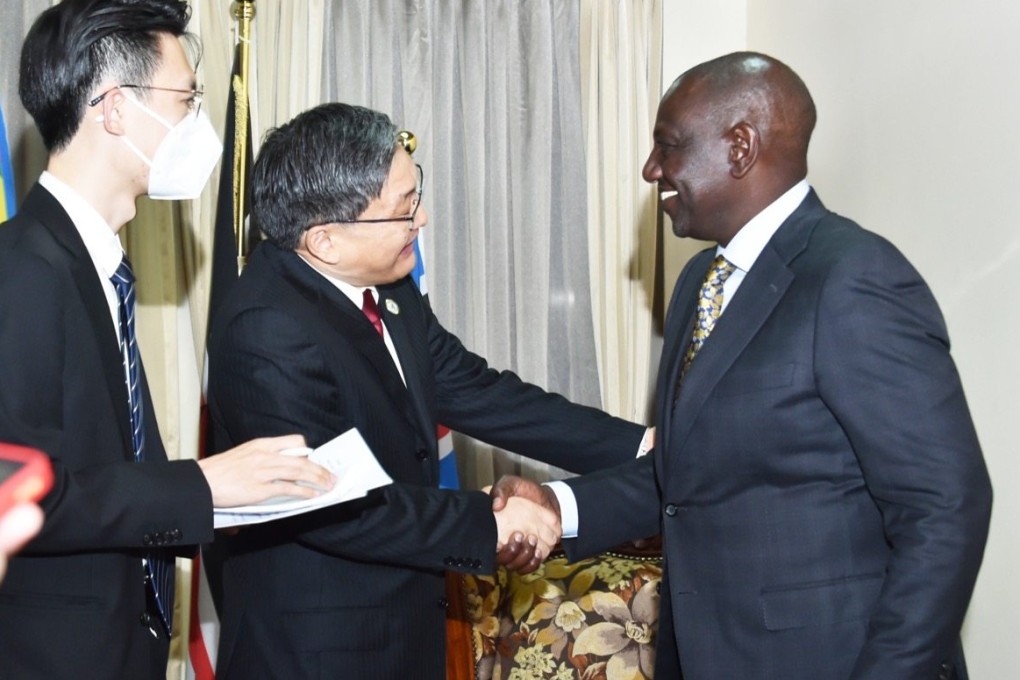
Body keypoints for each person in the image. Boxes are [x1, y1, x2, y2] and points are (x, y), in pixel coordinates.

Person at [493, 52, 993, 680]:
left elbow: (945, 507)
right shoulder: (701, 281)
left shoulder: (851, 278)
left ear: (740, 148)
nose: (652, 170)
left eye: (667, 147)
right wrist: (555, 506)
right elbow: (686, 475)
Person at [204, 101, 648, 680]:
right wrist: (492, 522)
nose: (423, 220)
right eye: (403, 209)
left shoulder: (387, 284)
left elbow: (476, 390)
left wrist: (642, 448)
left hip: (405, 625)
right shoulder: (265, 327)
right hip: (318, 648)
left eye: (416, 196)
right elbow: (334, 505)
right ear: (326, 240)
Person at [0, 2, 334, 678]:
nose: (196, 125)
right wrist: (205, 484)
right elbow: (22, 493)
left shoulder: (92, 264)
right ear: (115, 109)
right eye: (186, 99)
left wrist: (237, 490)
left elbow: (104, 466)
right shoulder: (25, 270)